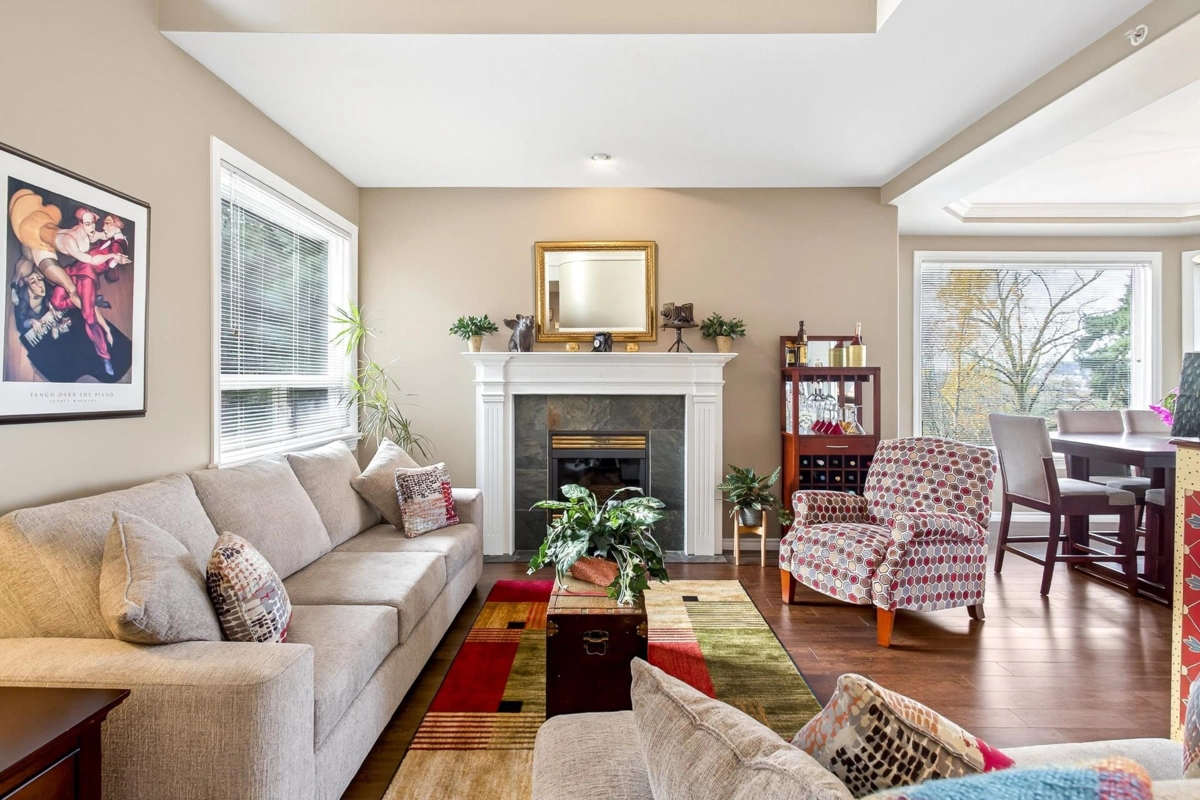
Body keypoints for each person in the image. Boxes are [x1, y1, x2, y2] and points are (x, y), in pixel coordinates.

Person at [46, 215, 128, 376]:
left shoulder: (119, 244)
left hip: (88, 276)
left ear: (117, 226)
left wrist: (114, 260)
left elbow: (110, 265)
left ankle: (104, 356)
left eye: (108, 224)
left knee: (90, 319)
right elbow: (93, 236)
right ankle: (89, 303)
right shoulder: (108, 237)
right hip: (75, 269)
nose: (104, 227)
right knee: (56, 302)